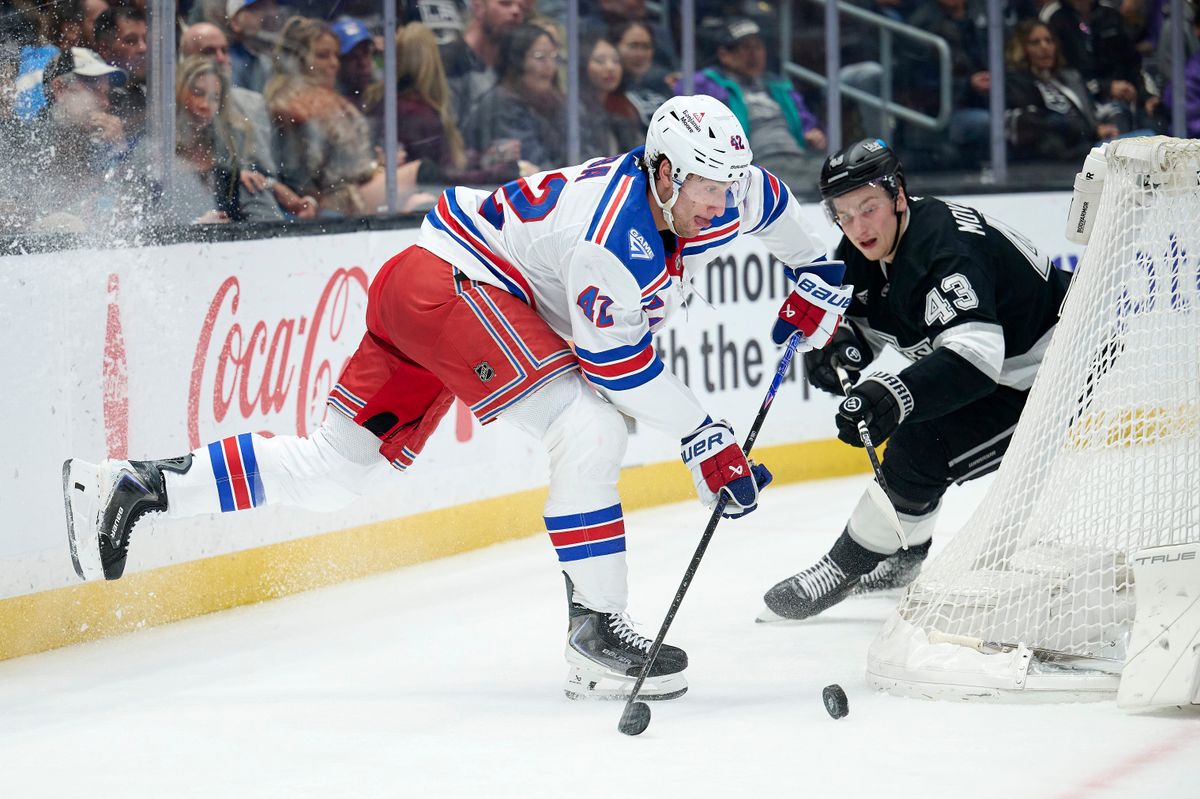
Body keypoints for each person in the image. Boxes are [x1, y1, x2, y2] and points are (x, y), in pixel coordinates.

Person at [63, 94, 847, 701]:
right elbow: (621, 370)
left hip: (430, 285)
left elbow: (778, 210)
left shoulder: (709, 193)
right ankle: (594, 632)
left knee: (335, 470)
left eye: (726, 187)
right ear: (667, 173)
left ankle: (137, 483)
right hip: (454, 288)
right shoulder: (613, 239)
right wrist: (706, 434)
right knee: (589, 425)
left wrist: (818, 275)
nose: (721, 202)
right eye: (709, 187)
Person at [759, 138, 1071, 622]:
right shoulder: (868, 244)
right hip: (1010, 365)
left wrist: (893, 391)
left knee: (921, 444)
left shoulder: (945, 249)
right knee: (915, 433)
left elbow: (976, 359)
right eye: (844, 214)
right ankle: (904, 555)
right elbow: (868, 317)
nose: (858, 227)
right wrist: (839, 345)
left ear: (898, 196)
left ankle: (844, 568)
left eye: (869, 209)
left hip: (1057, 373)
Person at [363, 22, 525, 188]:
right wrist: (499, 173)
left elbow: (445, 162)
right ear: (433, 60)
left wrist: (487, 157)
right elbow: (440, 177)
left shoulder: (390, 102)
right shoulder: (417, 113)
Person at [686, 18, 826, 194]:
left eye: (758, 47)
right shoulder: (708, 83)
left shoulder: (780, 86)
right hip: (755, 165)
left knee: (834, 174)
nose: (754, 55)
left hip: (798, 158)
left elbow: (806, 121)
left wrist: (812, 132)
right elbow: (688, 96)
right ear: (724, 55)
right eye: (745, 48)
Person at [1005, 20, 1119, 162]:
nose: (1045, 47)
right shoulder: (1017, 82)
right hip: (1062, 152)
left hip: (1092, 142)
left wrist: (1108, 127)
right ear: (1021, 49)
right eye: (1035, 42)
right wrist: (1092, 132)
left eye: (1049, 40)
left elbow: (1092, 112)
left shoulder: (1070, 77)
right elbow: (1040, 122)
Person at [461, 23, 565, 174]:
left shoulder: (550, 102)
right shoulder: (501, 106)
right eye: (540, 57)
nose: (550, 66)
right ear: (516, 62)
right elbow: (538, 170)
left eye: (553, 57)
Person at [578, 31, 644, 159]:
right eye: (600, 61)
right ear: (582, 65)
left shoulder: (625, 105)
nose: (610, 67)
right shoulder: (575, 110)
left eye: (616, 61)